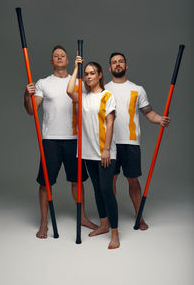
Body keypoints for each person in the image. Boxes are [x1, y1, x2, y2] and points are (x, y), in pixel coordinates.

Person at [24, 45, 97, 239]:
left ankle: (82, 217)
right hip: (51, 140)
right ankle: (43, 222)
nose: (59, 58)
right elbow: (32, 110)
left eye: (62, 55)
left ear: (67, 60)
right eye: (55, 55)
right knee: (46, 183)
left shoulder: (80, 83)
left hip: (75, 139)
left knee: (78, 181)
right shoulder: (43, 83)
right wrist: (26, 95)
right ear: (51, 61)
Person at [105, 52, 170, 230]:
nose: (117, 65)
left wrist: (160, 119)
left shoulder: (137, 89)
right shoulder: (103, 89)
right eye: (114, 62)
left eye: (121, 62)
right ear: (109, 68)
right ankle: (111, 217)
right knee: (110, 181)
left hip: (130, 142)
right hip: (108, 143)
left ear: (126, 66)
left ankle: (139, 216)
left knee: (133, 181)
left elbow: (148, 112)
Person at [67, 56, 120, 249]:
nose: (88, 77)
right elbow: (68, 90)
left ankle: (115, 233)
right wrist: (76, 68)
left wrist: (106, 149)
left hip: (104, 152)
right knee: (98, 190)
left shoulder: (107, 96)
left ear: (100, 75)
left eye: (92, 73)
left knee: (107, 190)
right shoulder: (83, 97)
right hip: (88, 152)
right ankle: (104, 225)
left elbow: (111, 122)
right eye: (86, 74)